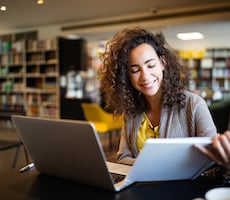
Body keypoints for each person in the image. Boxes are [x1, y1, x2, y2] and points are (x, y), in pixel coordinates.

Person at [99, 26, 218, 166]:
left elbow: (213, 158)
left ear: (163, 63)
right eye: (135, 70)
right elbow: (123, 157)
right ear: (127, 76)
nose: (145, 76)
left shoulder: (194, 104)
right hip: (140, 184)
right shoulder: (131, 111)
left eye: (151, 65)